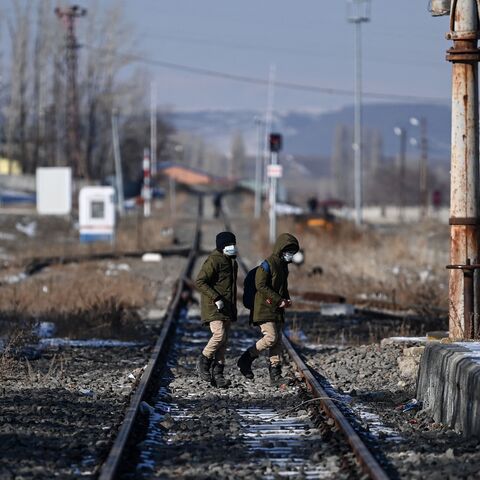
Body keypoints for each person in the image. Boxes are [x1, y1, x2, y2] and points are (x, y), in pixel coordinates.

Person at [237, 233, 299, 385]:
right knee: (271, 338)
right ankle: (246, 358)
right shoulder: (268, 264)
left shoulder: (284, 267)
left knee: (277, 342)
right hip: (264, 309)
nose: (290, 255)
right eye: (288, 251)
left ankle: (275, 375)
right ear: (281, 249)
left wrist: (286, 299)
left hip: (276, 310)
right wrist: (279, 300)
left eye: (292, 252)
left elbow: (282, 288)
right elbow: (261, 285)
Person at [195, 231, 238, 388]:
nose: (232, 247)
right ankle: (203, 360)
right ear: (221, 247)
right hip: (214, 307)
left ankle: (218, 375)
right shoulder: (214, 260)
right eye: (228, 245)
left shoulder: (232, 262)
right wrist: (216, 298)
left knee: (223, 342)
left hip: (226, 308)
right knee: (219, 335)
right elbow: (200, 281)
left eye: (233, 244)